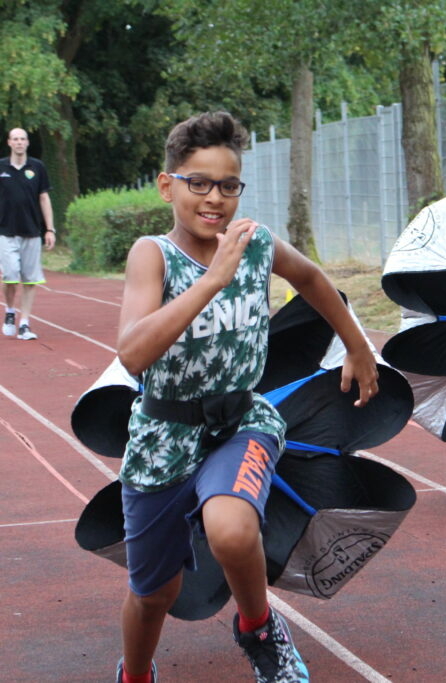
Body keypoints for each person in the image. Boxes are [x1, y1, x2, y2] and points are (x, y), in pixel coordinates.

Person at [111, 111, 379, 683]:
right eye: (199, 183)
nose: (215, 198)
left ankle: (258, 630)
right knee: (154, 594)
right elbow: (132, 353)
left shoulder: (255, 244)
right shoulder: (151, 254)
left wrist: (357, 345)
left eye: (228, 185)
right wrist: (213, 278)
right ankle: (134, 674)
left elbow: (311, 278)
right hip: (163, 435)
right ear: (167, 186)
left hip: (240, 420)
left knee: (231, 529)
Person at [1, 127, 56, 340]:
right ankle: (9, 311)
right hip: (5, 231)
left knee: (30, 280)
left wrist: (49, 229)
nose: (19, 142)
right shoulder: (1, 167)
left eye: (22, 139)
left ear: (27, 142)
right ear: (9, 142)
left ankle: (24, 323)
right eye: (15, 139)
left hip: (31, 231)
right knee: (10, 276)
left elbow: (44, 198)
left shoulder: (37, 167)